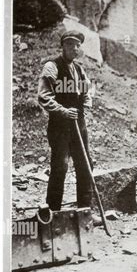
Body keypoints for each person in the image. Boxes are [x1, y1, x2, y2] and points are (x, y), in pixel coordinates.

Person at [38, 30, 93, 211]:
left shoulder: (79, 69)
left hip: (79, 124)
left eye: (77, 45)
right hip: (60, 126)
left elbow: (87, 92)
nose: (74, 48)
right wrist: (63, 111)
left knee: (85, 164)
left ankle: (85, 209)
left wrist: (85, 105)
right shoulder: (52, 67)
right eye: (70, 44)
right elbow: (44, 97)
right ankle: (53, 212)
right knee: (60, 167)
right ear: (63, 46)